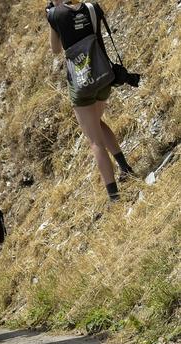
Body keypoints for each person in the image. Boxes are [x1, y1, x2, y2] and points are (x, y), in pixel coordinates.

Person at [47, 0, 134, 201]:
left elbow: (55, 49)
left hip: (82, 84)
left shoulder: (54, 15)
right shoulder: (92, 7)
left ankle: (114, 196)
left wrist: (52, 16)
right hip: (103, 77)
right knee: (97, 123)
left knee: (95, 141)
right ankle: (124, 167)